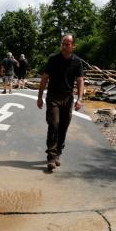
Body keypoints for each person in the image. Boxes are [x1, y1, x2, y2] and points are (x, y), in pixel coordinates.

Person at [37, 34, 84, 171]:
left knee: (63, 127)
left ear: (73, 46)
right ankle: (51, 157)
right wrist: (39, 97)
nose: (64, 46)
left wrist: (80, 99)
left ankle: (58, 153)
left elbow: (80, 81)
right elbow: (44, 78)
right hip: (53, 97)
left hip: (68, 98)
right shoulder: (53, 59)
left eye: (67, 44)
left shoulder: (77, 62)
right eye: (63, 44)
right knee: (54, 125)